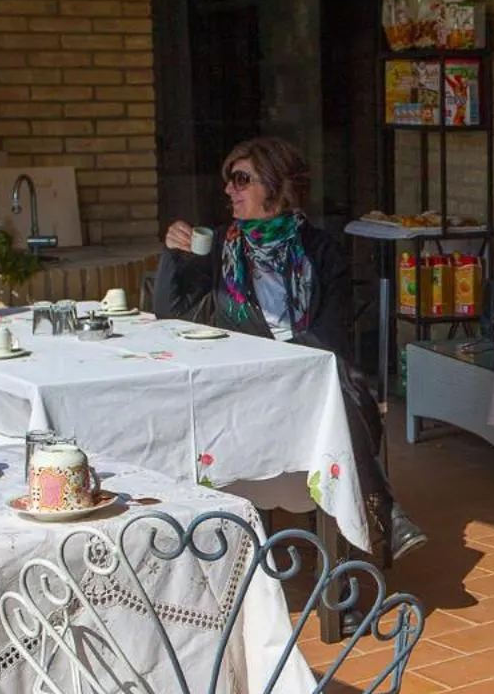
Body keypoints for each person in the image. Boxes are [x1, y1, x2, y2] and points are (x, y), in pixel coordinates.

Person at [152, 135, 425, 563]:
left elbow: (330, 338)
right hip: (242, 388)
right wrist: (172, 257)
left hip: (308, 381)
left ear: (277, 188)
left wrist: (287, 369)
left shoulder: (322, 252)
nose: (229, 190)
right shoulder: (222, 246)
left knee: (334, 382)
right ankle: (380, 515)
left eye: (242, 179)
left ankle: (346, 567)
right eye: (229, 180)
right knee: (336, 385)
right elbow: (172, 314)